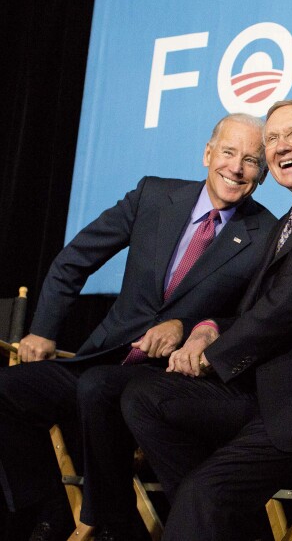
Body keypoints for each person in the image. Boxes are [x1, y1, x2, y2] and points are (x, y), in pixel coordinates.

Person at [121, 99, 292, 540]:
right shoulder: (288, 220)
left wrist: (215, 355)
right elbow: (256, 307)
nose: (280, 145)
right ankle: (218, 517)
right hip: (263, 389)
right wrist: (209, 328)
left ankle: (208, 508)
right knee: (144, 396)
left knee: (204, 495)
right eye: (271, 139)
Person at [0, 113, 277, 541]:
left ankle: (113, 527)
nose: (236, 168)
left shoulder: (265, 234)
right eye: (227, 152)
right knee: (9, 389)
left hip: (167, 378)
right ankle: (49, 513)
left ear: (262, 173)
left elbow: (254, 317)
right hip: (100, 355)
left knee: (99, 388)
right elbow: (75, 259)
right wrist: (43, 330)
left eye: (251, 160)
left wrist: (187, 327)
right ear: (208, 153)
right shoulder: (154, 195)